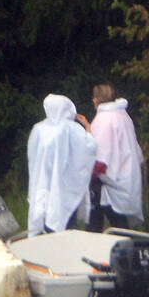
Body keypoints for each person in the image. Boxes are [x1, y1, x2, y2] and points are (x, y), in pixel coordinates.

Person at [26, 94, 98, 235]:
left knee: (45, 216)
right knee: (66, 219)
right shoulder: (71, 128)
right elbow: (89, 147)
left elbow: (32, 155)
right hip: (66, 183)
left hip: (42, 182)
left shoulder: (39, 129)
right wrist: (88, 128)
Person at [80, 84, 144, 232]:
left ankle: (124, 250)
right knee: (114, 220)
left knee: (107, 221)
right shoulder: (123, 116)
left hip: (109, 180)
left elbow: (100, 152)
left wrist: (90, 173)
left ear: (95, 100)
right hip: (126, 173)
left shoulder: (103, 119)